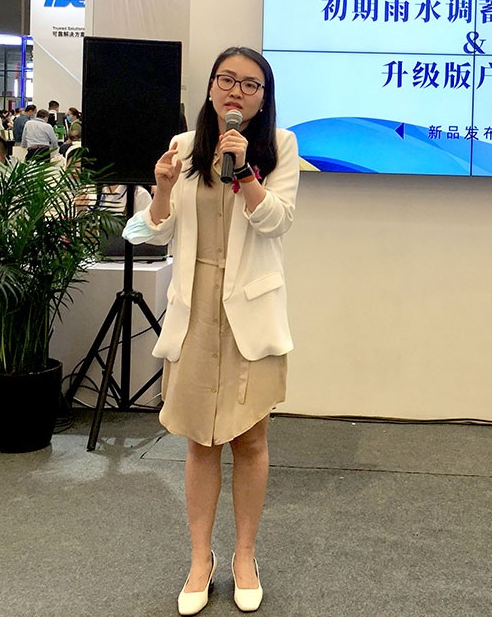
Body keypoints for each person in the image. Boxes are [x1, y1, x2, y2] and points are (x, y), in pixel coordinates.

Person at [123, 47, 298, 616]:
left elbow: (277, 222)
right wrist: (162, 188)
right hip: (196, 308)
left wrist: (244, 171)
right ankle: (201, 559)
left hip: (249, 313)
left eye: (250, 84)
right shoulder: (182, 148)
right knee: (200, 439)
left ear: (263, 99)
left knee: (250, 439)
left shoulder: (281, 147)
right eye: (227, 80)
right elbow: (148, 232)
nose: (235, 92)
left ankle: (245, 556)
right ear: (210, 88)